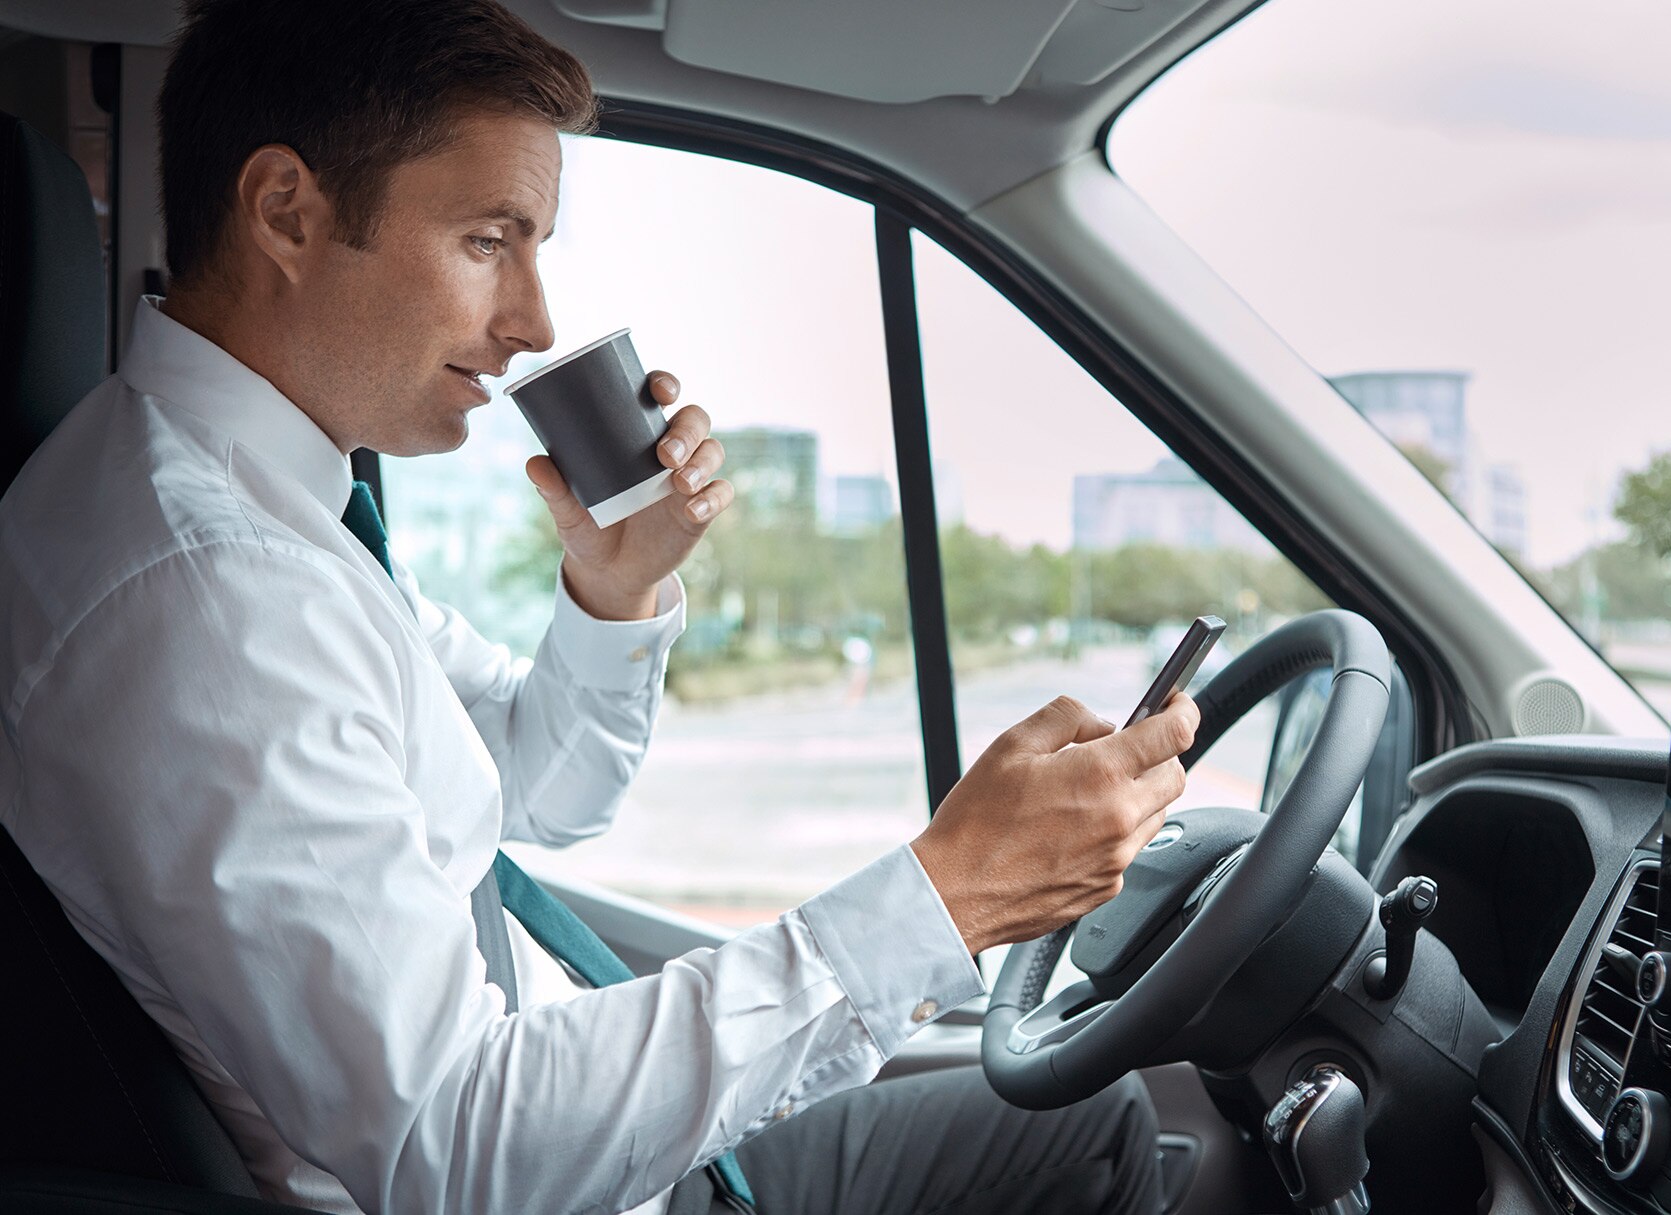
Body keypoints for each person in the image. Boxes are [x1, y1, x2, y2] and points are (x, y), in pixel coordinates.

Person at [0, 2, 1201, 1213]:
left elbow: (539, 792)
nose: (535, 323)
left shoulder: (258, 512)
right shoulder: (210, 601)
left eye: (535, 250)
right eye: (488, 240)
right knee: (1089, 1130)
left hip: (590, 1149)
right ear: (286, 212)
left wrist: (614, 592)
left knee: (1090, 1118)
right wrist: (950, 895)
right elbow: (458, 1149)